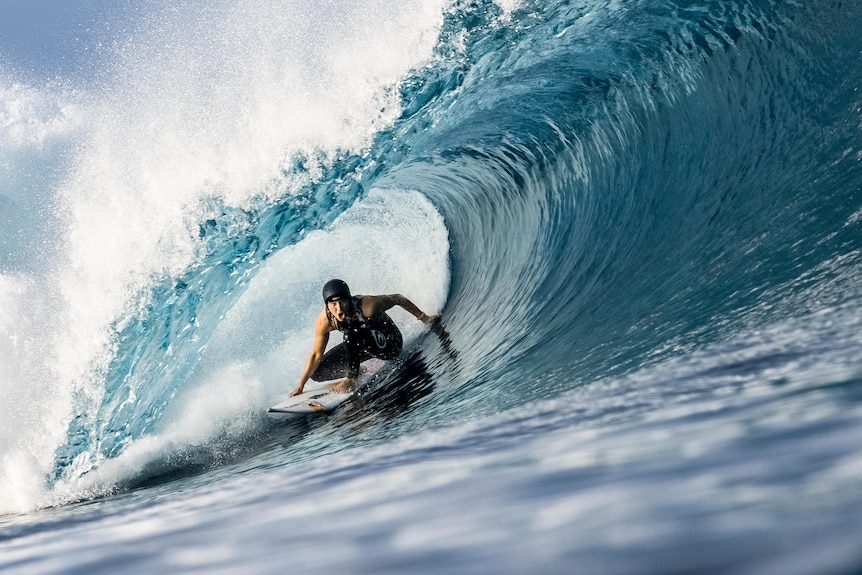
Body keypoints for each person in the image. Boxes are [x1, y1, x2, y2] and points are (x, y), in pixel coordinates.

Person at [290, 279, 440, 396]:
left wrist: (424, 317)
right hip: (361, 345)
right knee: (317, 372)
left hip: (389, 343)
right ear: (327, 305)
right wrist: (300, 386)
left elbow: (397, 298)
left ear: (349, 299)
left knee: (351, 333)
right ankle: (358, 369)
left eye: (342, 302)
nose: (339, 308)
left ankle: (351, 378)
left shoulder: (368, 306)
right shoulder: (325, 321)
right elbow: (316, 354)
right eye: (334, 304)